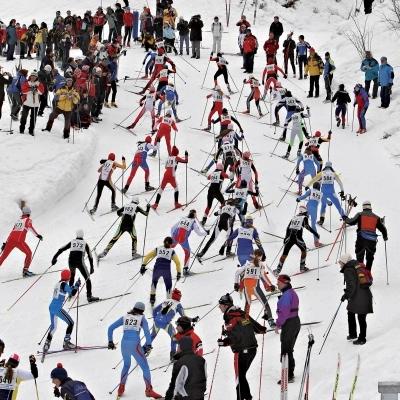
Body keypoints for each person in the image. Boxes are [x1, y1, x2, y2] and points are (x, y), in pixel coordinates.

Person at [108, 301, 162, 398]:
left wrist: (110, 342)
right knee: (145, 367)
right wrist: (149, 344)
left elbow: (110, 328)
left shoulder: (125, 317)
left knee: (126, 365)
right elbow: (146, 332)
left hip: (124, 344)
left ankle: (121, 388)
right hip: (135, 345)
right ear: (142, 311)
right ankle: (149, 390)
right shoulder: (142, 319)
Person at [217, 293, 266, 400]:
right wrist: (262, 328)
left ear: (225, 305)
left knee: (239, 377)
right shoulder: (242, 313)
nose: (219, 307)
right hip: (252, 349)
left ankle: (241, 398)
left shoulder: (229, 318)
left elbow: (236, 338)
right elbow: (257, 328)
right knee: (242, 376)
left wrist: (224, 342)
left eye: (220, 305)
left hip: (242, 351)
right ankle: (247, 397)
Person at [51, 229, 99, 303]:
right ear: (83, 235)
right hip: (80, 262)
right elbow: (90, 256)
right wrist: (91, 267)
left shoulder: (72, 242)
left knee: (72, 276)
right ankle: (89, 296)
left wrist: (54, 257)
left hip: (71, 262)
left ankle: (70, 293)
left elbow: (61, 249)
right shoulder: (85, 243)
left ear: (76, 235)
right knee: (87, 279)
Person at [151, 289, 198, 360]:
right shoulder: (178, 304)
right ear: (179, 296)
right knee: (174, 337)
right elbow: (184, 316)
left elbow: (155, 310)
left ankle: (145, 348)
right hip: (166, 323)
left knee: (152, 335)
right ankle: (173, 354)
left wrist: (155, 318)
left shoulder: (166, 300)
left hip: (156, 322)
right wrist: (192, 320)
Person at [273, 206, 319, 275]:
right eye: (306, 212)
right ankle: (302, 268)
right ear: (304, 212)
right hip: (298, 238)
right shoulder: (304, 218)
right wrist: (315, 233)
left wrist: (286, 238)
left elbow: (288, 228)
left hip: (289, 237)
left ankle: (278, 270)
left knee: (284, 254)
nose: (307, 213)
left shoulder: (294, 217)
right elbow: (307, 227)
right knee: (304, 251)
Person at [42, 270, 80, 353]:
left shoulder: (58, 284)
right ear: (69, 277)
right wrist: (76, 286)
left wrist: (74, 287)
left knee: (53, 327)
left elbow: (68, 290)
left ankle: (47, 344)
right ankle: (66, 342)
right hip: (57, 308)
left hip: (51, 307)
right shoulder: (64, 284)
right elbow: (72, 293)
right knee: (71, 322)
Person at [234, 248, 275, 326]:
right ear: (260, 256)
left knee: (247, 305)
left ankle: (245, 324)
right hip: (255, 288)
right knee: (265, 304)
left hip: (246, 288)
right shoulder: (261, 265)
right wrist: (271, 285)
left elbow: (237, 273)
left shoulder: (247, 264)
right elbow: (264, 276)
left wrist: (236, 284)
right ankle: (271, 321)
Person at [339, 253, 373, 345]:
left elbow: (352, 286)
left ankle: (362, 338)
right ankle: (353, 334)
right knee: (351, 312)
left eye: (340, 262)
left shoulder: (348, 270)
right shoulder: (356, 266)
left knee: (361, 317)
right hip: (364, 294)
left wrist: (346, 296)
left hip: (359, 296)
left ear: (344, 262)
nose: (340, 265)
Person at [0, 206, 42, 277]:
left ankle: (25, 271)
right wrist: (38, 235)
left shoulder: (18, 221)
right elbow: (30, 227)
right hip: (19, 241)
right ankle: (25, 271)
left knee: (3, 256)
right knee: (29, 253)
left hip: (10, 240)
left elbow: (12, 232)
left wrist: (6, 243)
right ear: (29, 213)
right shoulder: (28, 220)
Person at [345, 200, 388, 271]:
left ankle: (360, 275)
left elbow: (351, 222)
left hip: (361, 239)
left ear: (363, 207)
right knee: (370, 258)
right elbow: (383, 229)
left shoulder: (360, 214)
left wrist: (345, 219)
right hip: (372, 241)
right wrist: (385, 236)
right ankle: (368, 275)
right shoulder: (376, 217)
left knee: (359, 258)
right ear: (370, 207)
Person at [274, 274, 300, 383]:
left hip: (289, 323)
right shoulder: (291, 292)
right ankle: (289, 373)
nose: (277, 284)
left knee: (286, 350)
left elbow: (284, 313)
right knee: (288, 349)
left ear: (285, 283)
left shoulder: (286, 296)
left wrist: (278, 324)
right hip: (294, 322)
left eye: (279, 282)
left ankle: (288, 375)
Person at [140, 236, 181, 305]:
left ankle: (152, 297)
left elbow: (148, 256)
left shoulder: (158, 249)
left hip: (157, 269)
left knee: (154, 282)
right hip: (166, 271)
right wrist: (178, 273)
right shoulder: (172, 251)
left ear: (163, 242)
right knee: (168, 285)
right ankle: (168, 301)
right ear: (171, 244)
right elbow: (178, 262)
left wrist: (143, 265)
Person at [306, 161, 346, 225]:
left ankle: (322, 219)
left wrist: (307, 186)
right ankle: (344, 217)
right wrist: (342, 191)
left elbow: (314, 179)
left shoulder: (322, 173)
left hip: (323, 193)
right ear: (331, 166)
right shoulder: (333, 173)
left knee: (323, 205)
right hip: (331, 192)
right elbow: (340, 182)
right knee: (338, 205)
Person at [171, 210, 207, 275]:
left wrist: (172, 237)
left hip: (175, 237)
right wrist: (206, 233)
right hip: (183, 239)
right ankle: (185, 270)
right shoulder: (193, 222)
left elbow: (172, 228)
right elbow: (199, 233)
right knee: (187, 253)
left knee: (167, 249)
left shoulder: (183, 218)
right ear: (195, 215)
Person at [151, 146, 188, 210]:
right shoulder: (176, 157)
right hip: (172, 176)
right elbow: (185, 161)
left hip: (165, 175)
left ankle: (155, 204)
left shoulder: (168, 158)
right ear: (177, 153)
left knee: (160, 190)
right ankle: (176, 203)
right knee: (176, 189)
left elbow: (165, 167)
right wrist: (186, 155)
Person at [19, 70, 44, 135]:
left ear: (36, 77)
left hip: (35, 103)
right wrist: (30, 89)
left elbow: (41, 92)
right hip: (26, 102)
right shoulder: (26, 82)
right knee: (24, 116)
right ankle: (22, 128)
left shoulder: (39, 83)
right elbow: (23, 91)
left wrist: (36, 88)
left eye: (34, 76)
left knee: (33, 118)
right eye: (32, 76)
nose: (33, 77)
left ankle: (31, 130)